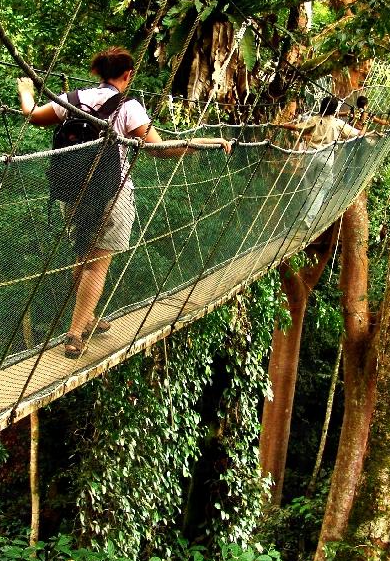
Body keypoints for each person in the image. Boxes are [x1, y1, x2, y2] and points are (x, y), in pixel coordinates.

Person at [17, 46, 232, 359]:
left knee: (84, 259)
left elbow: (33, 115)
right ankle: (75, 333)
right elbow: (162, 150)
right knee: (97, 265)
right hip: (111, 195)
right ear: (128, 75)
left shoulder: (73, 99)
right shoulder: (129, 108)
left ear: (99, 72)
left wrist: (26, 90)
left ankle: (87, 317)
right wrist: (204, 143)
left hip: (74, 193)